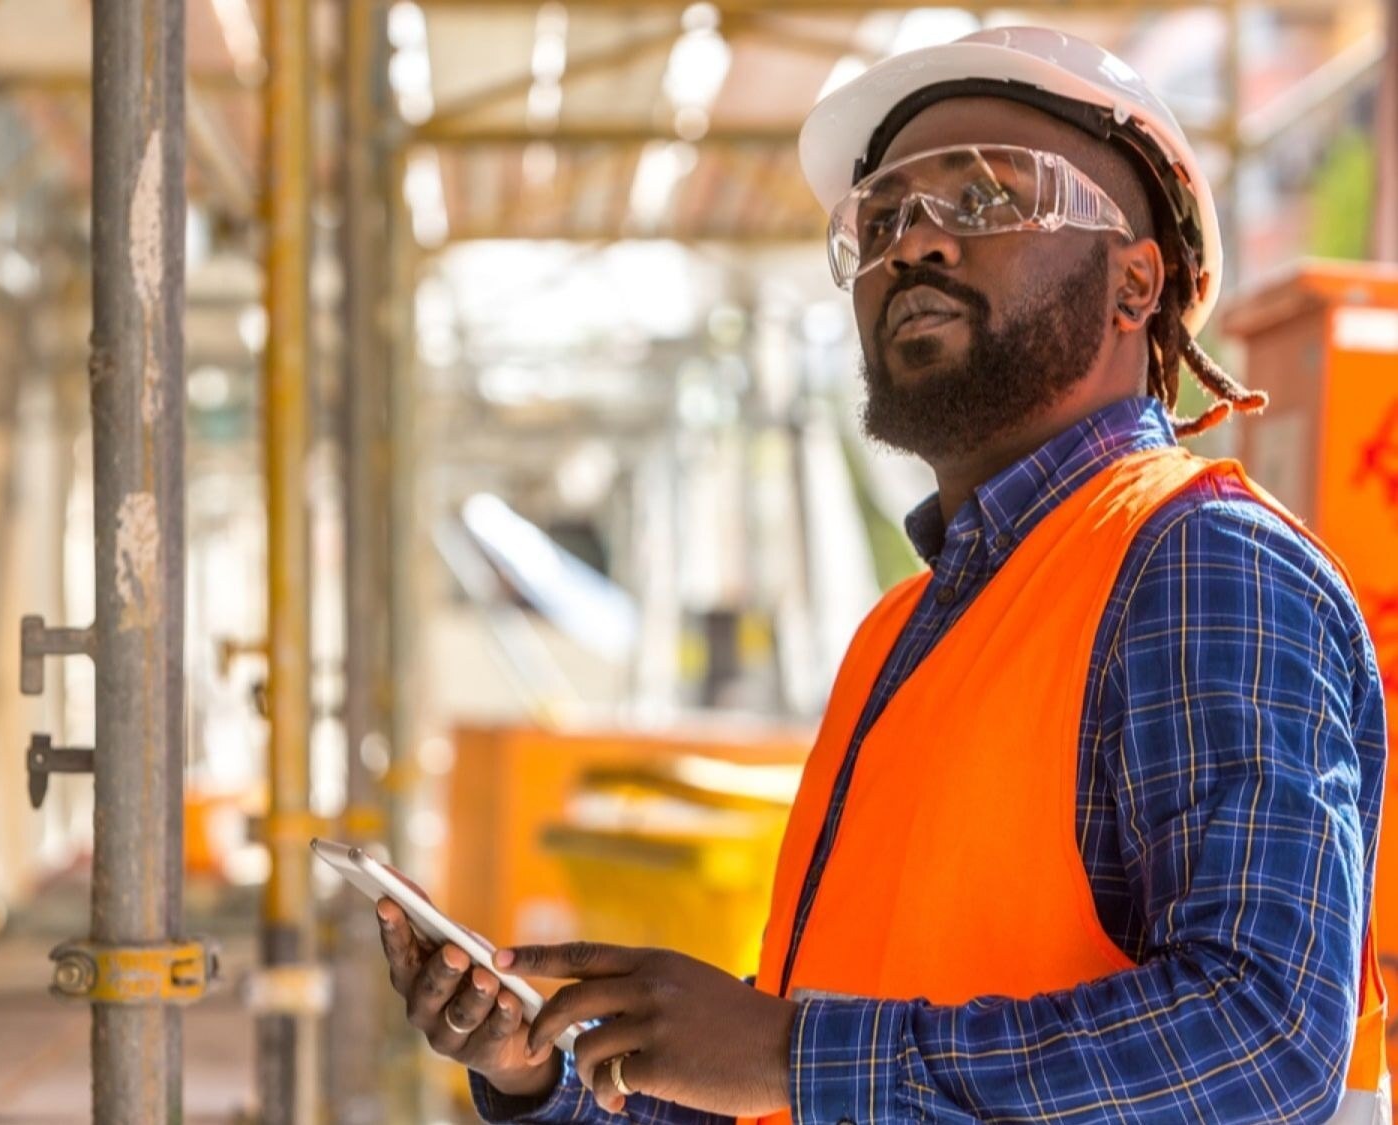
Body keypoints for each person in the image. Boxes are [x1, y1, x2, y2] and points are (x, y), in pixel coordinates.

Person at [376, 26, 1389, 1124]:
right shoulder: (906, 628)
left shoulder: (1198, 564)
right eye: (885, 219)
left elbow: (1265, 1038)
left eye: (988, 200)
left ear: (1134, 282)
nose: (914, 246)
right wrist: (547, 1071)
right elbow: (818, 1084)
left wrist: (788, 1051)